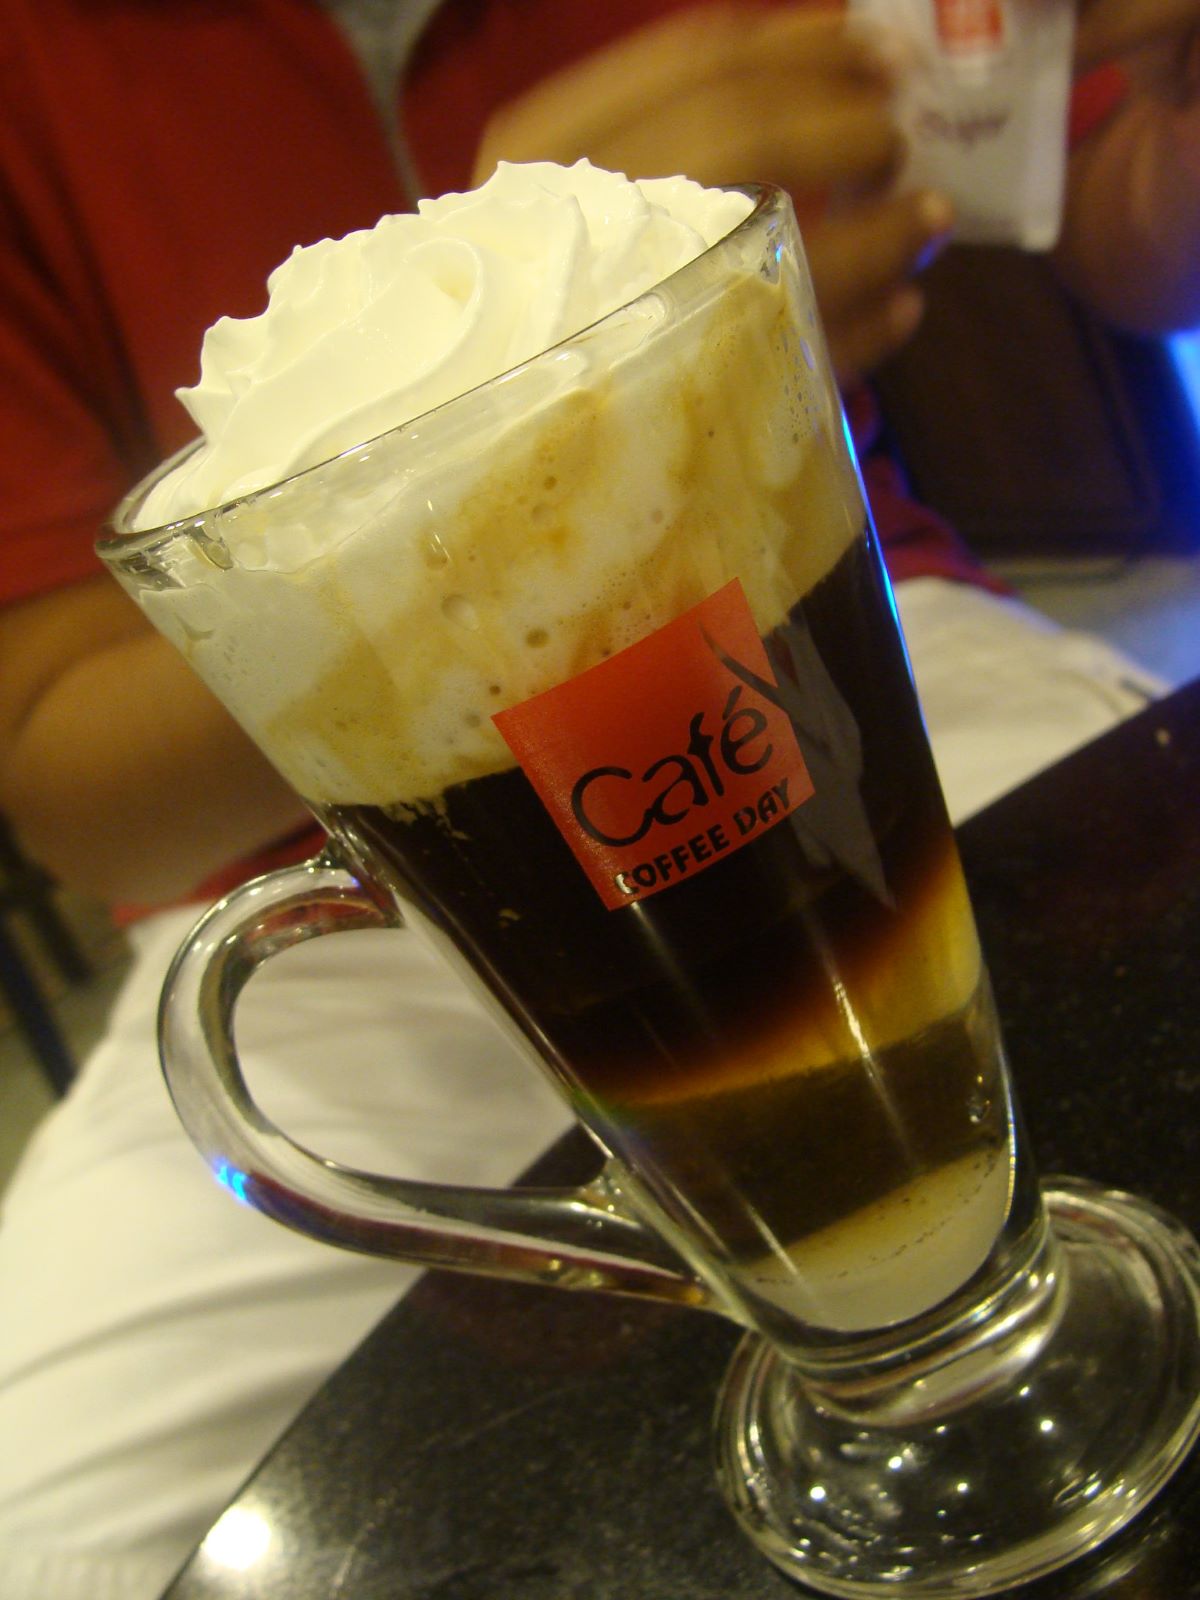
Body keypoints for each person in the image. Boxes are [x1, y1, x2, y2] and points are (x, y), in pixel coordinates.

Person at [0, 2, 1191, 1594]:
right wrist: (459, 464)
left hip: (847, 656)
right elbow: (59, 781)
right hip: (346, 865)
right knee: (51, 1539)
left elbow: (1113, 201)